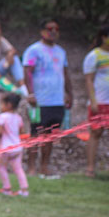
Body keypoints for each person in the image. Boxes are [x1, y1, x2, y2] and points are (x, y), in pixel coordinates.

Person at [22, 18, 73, 178]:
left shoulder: (61, 51)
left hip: (56, 100)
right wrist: (30, 93)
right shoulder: (34, 50)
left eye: (56, 29)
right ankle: (31, 167)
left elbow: (65, 74)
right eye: (49, 29)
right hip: (40, 100)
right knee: (36, 134)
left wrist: (69, 93)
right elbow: (27, 72)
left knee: (51, 135)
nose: (52, 32)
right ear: (42, 31)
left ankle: (44, 166)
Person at [82, 24, 109, 176]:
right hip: (102, 101)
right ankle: (90, 168)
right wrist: (93, 100)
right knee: (96, 132)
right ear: (104, 37)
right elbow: (88, 80)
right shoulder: (94, 55)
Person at [0, 93, 29, 196]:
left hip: (6, 148)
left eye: (2, 104)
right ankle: (24, 190)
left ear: (8, 105)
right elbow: (22, 131)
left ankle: (7, 189)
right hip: (17, 148)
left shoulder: (2, 117)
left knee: (2, 167)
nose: (1, 106)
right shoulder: (18, 117)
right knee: (18, 168)